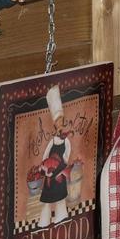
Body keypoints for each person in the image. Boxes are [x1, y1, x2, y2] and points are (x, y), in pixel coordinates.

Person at [36, 86, 72, 228]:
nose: (61, 126)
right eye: (58, 123)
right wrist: (45, 170)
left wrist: (58, 170)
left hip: (59, 174)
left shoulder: (67, 142)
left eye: (62, 123)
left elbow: (66, 158)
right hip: (50, 175)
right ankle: (44, 221)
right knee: (46, 199)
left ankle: (61, 216)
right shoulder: (51, 141)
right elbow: (45, 157)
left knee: (61, 198)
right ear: (55, 126)